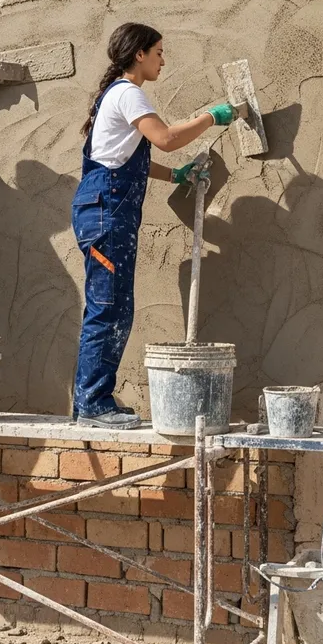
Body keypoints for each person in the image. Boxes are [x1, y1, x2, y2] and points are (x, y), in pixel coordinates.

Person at [72, 22, 240, 429]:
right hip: (106, 213)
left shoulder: (115, 95)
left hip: (105, 210)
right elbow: (163, 137)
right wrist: (210, 117)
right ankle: (93, 403)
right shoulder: (129, 93)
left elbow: (130, 159)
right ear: (139, 54)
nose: (164, 60)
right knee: (108, 309)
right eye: (159, 52)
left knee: (115, 308)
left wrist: (176, 176)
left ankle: (94, 399)